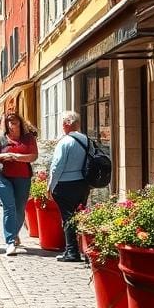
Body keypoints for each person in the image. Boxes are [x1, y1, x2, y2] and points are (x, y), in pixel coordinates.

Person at [0, 111, 38, 257]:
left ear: (20, 123)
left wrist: (18, 157)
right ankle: (9, 242)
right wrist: (4, 156)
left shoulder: (28, 138)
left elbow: (34, 156)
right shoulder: (0, 137)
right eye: (9, 122)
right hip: (3, 175)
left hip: (22, 177)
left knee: (20, 209)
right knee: (9, 207)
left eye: (14, 122)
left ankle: (15, 232)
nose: (12, 125)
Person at [47, 111, 91, 262]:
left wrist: (51, 186)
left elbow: (57, 166)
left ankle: (72, 252)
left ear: (66, 124)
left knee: (68, 218)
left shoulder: (65, 142)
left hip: (65, 184)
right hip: (83, 184)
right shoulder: (86, 140)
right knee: (77, 216)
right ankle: (79, 248)